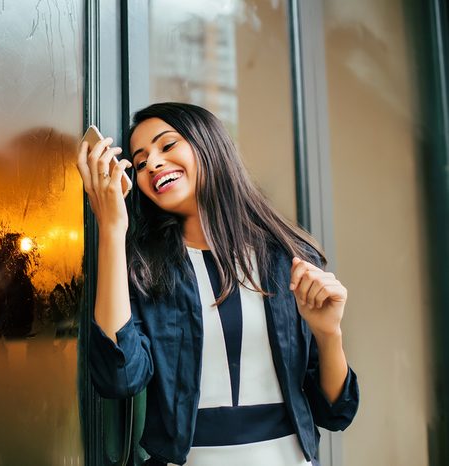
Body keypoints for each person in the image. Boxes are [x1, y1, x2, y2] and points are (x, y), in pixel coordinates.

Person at [76, 102, 359, 466]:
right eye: (141, 161)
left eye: (167, 145)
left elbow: (335, 412)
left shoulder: (289, 259)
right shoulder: (146, 268)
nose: (153, 165)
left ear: (209, 145)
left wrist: (329, 333)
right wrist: (113, 229)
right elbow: (120, 376)